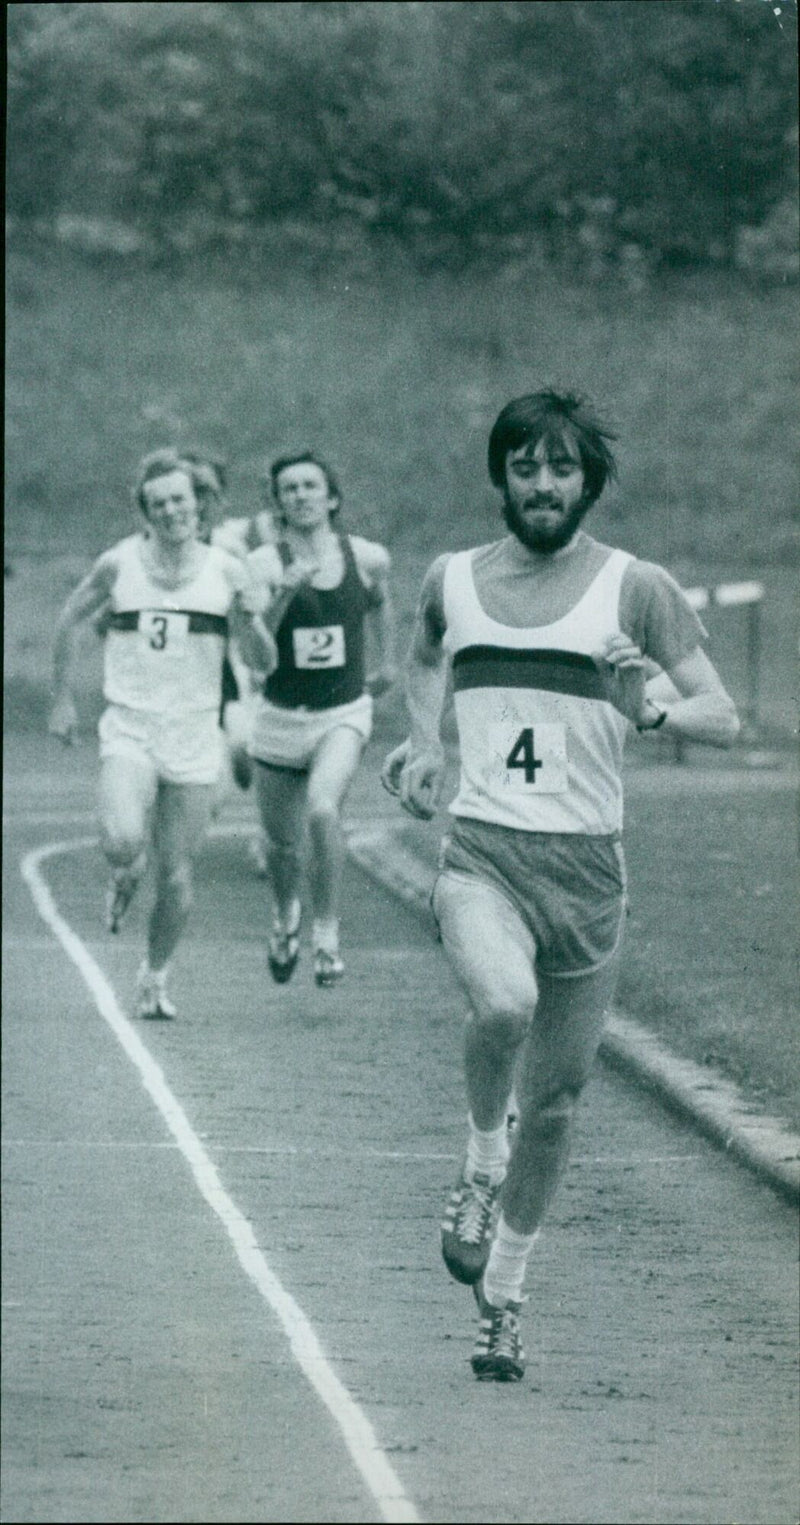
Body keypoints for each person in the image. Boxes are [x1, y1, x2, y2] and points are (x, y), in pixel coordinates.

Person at [382, 389, 739, 1382]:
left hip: (585, 869)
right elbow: (418, 655)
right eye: (525, 468)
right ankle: (476, 1164)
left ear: (585, 481)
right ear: (499, 477)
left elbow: (722, 716)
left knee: (558, 1102)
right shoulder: (451, 579)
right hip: (484, 852)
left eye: (561, 470)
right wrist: (420, 742)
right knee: (501, 1002)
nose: (543, 486)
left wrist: (653, 713)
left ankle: (502, 1295)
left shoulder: (635, 587)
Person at [48, 451, 275, 1020]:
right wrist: (61, 698)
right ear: (145, 512)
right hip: (130, 727)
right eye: (160, 503)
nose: (173, 510)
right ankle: (125, 869)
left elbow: (263, 660)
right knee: (125, 839)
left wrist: (249, 620)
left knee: (176, 871)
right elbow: (70, 618)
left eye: (181, 500)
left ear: (199, 505)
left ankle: (154, 978)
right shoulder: (119, 564)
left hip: (196, 735)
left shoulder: (227, 569)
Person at [247, 450, 396, 987]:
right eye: (289, 489)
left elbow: (381, 601)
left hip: (343, 711)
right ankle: (287, 916)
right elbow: (255, 654)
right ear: (279, 503)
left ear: (331, 497)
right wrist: (285, 591)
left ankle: (327, 934)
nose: (301, 495)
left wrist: (389, 661)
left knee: (322, 810)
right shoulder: (264, 564)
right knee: (281, 843)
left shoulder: (368, 556)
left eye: (311, 486)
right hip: (281, 717)